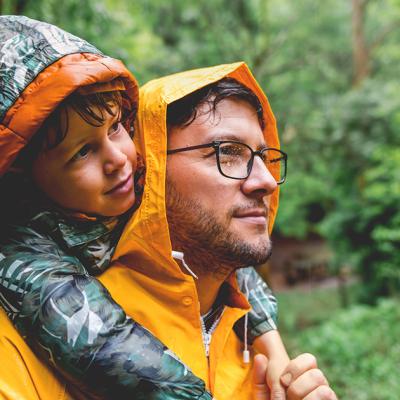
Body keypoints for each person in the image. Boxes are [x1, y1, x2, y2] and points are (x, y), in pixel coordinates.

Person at [0, 16, 302, 400]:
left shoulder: (131, 196)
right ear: (24, 176)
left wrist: (273, 347)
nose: (120, 159)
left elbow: (237, 270)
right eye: (82, 152)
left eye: (116, 128)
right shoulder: (21, 252)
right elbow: (101, 341)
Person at [95, 63, 337, 399]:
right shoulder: (49, 338)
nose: (265, 181)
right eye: (228, 152)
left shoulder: (258, 349)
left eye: (265, 157)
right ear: (149, 169)